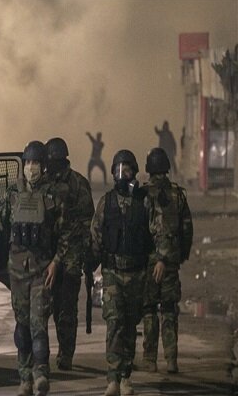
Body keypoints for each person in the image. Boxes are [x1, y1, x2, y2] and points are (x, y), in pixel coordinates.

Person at [0, 140, 69, 396]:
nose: (31, 167)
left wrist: (56, 262)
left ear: (43, 166)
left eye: (36, 163)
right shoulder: (12, 195)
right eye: (28, 163)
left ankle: (41, 374)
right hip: (17, 273)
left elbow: (66, 235)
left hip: (42, 271)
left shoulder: (53, 196)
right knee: (22, 327)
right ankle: (24, 378)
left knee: (38, 324)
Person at [91, 150, 154, 396]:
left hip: (137, 273)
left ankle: (126, 375)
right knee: (114, 323)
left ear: (134, 171)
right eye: (119, 169)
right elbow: (96, 235)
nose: (123, 174)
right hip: (113, 272)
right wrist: (90, 265)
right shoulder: (106, 202)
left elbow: (154, 234)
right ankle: (113, 378)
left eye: (127, 169)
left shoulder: (144, 201)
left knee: (129, 325)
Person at [141, 147, 193, 374]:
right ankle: (171, 359)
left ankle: (150, 359)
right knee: (170, 310)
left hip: (149, 262)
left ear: (149, 169)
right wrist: (177, 257)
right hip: (170, 262)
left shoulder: (142, 195)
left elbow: (138, 230)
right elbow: (187, 229)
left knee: (150, 310)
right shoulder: (178, 195)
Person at [44, 137, 95, 371]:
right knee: (49, 305)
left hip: (71, 256)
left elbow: (86, 222)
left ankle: (66, 354)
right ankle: (43, 352)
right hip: (48, 254)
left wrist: (85, 255)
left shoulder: (77, 184)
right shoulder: (45, 183)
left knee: (67, 307)